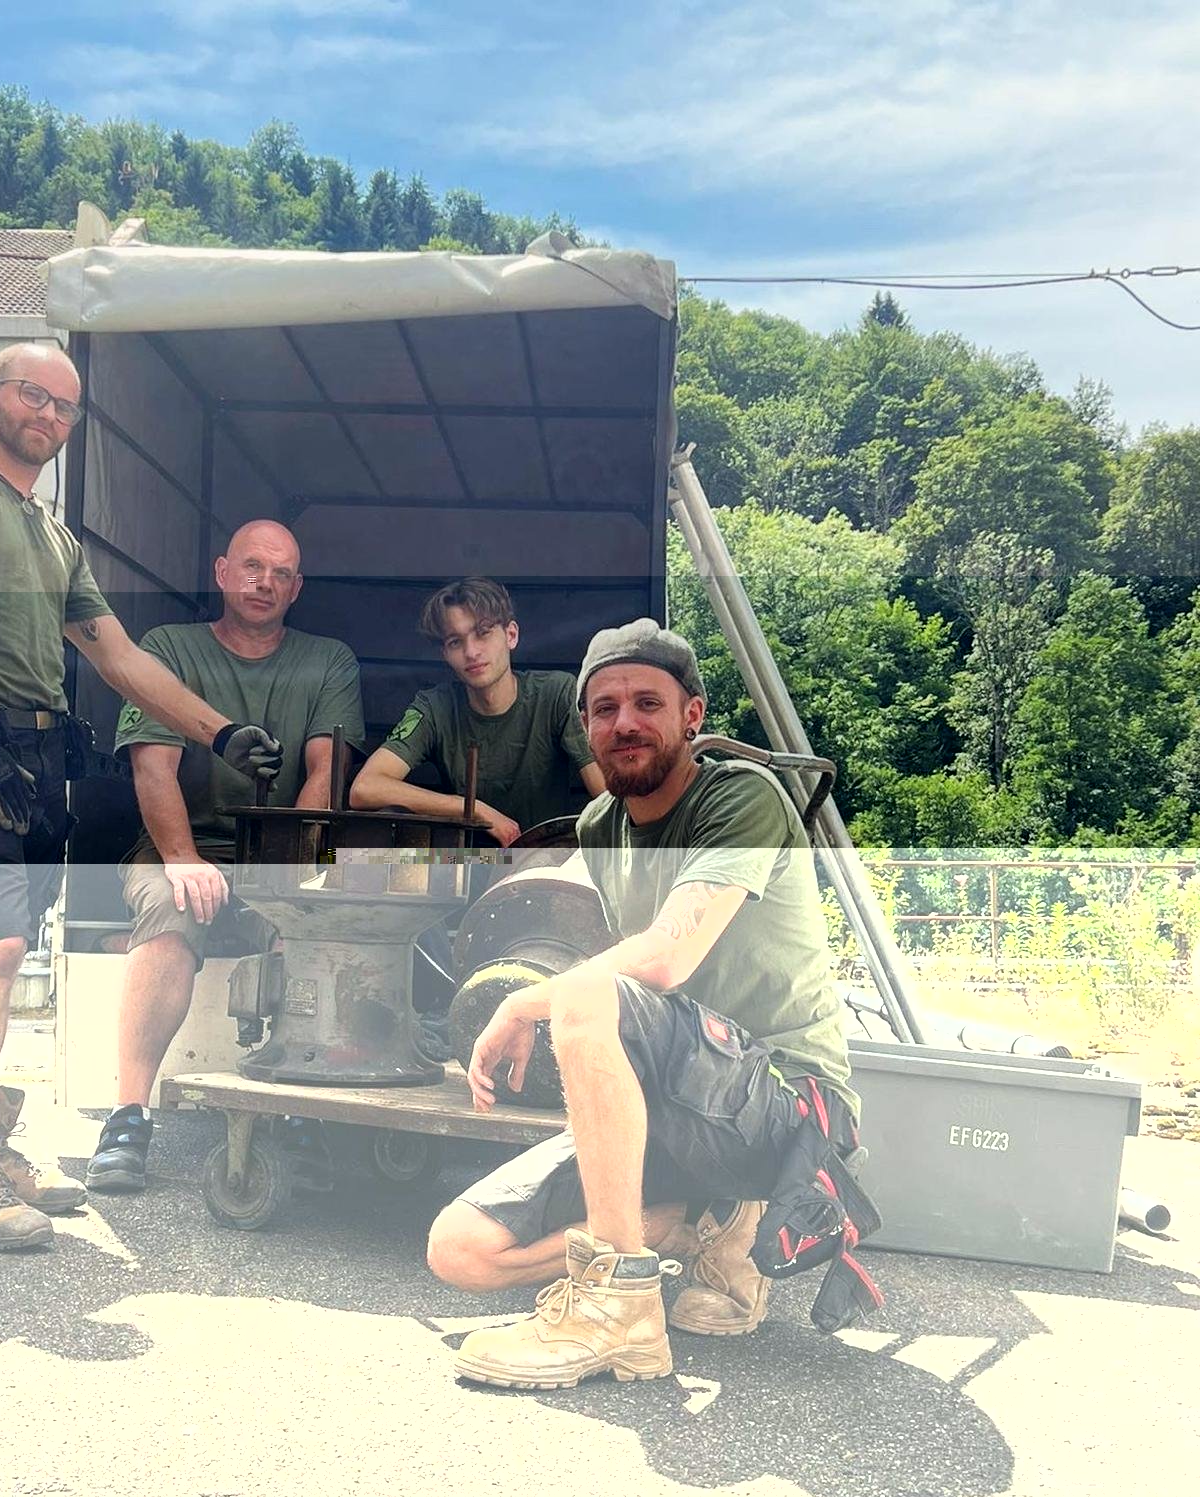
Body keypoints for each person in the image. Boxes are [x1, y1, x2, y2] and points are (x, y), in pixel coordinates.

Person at [427, 618, 875, 1389]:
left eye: (647, 703)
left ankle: (619, 1307)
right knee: (460, 1249)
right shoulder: (602, 826)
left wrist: (524, 1003)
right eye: (604, 708)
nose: (625, 723)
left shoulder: (744, 797)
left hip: (783, 1103)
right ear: (586, 726)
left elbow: (664, 957)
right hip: (677, 1104)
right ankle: (686, 1228)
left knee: (586, 990)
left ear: (691, 715)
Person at [0, 343, 283, 1253]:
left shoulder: (55, 537)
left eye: (65, 407)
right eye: (32, 395)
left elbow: (116, 655)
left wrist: (219, 733)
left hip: (36, 755)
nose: (48, 415)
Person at [85, 520, 365, 1194]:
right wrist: (183, 859)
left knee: (313, 919)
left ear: (297, 588)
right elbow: (152, 767)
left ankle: (300, 1104)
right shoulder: (167, 647)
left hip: (281, 848)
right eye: (251, 566)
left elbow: (326, 772)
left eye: (281, 573)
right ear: (220, 571)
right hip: (181, 845)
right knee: (167, 909)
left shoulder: (329, 660)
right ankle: (128, 1117)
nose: (264, 582)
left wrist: (287, 870)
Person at [349, 576, 603, 844]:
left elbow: (606, 794)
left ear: (511, 635)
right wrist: (473, 808)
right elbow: (364, 788)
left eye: (483, 632)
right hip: (467, 861)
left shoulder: (557, 693)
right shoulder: (435, 707)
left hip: (549, 859)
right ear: (445, 654)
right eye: (455, 642)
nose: (471, 652)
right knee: (346, 857)